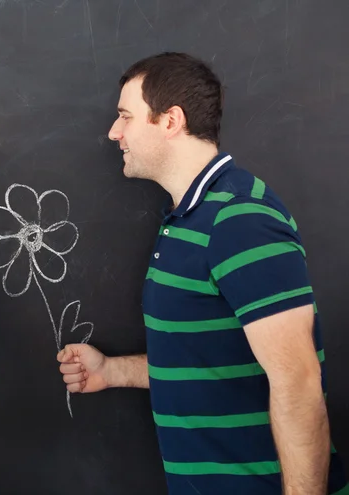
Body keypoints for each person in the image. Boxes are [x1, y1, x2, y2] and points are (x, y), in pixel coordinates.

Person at [57, 52, 347, 495]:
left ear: (170, 120)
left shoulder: (239, 220)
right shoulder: (185, 219)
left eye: (125, 117)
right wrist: (113, 371)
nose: (114, 132)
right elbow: (207, 361)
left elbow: (300, 385)